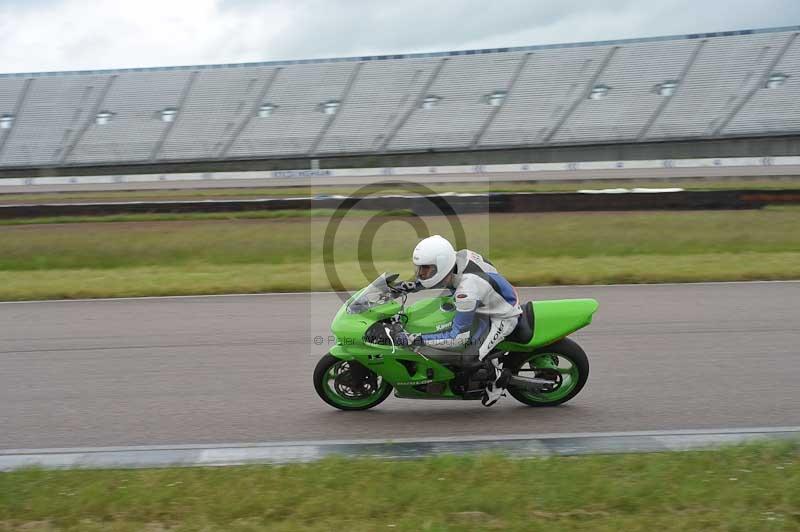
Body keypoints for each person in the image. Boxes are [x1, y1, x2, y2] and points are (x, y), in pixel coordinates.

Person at [396, 235, 522, 406]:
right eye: (419, 268)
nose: (421, 274)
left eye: (426, 269)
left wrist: (416, 339)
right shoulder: (459, 257)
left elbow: (457, 338)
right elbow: (487, 267)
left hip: (501, 316)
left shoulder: (466, 291)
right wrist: (406, 287)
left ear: (442, 265)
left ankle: (498, 378)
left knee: (468, 359)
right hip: (484, 304)